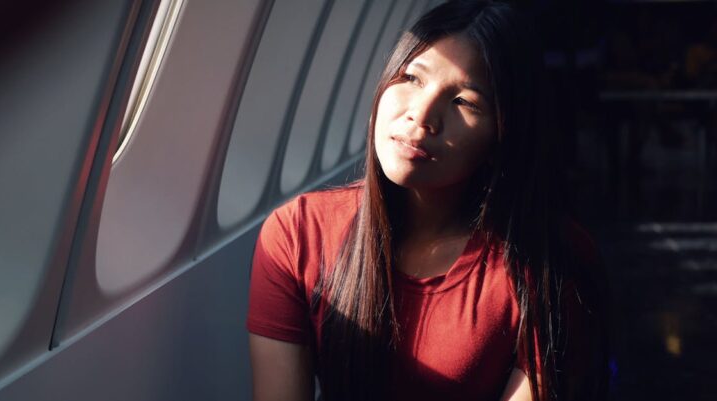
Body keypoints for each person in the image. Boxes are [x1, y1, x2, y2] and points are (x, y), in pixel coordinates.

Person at [247, 1, 609, 400]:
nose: (421, 117)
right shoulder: (296, 235)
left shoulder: (548, 259)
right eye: (411, 78)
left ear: (503, 136)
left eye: (464, 102)